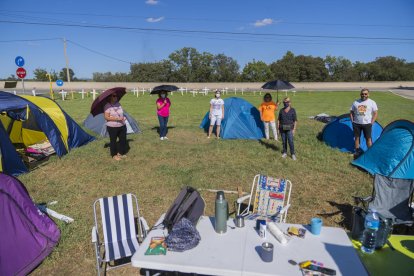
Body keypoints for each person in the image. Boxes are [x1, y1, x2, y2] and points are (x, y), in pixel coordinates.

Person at [350, 88, 378, 156]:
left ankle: (370, 153)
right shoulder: (356, 102)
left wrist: (372, 122)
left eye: (365, 94)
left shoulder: (372, 102)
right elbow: (351, 112)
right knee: (357, 138)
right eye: (362, 94)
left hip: (367, 124)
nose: (364, 95)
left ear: (368, 94)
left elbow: (375, 113)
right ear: (360, 94)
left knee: (368, 138)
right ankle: (357, 152)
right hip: (357, 124)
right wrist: (352, 121)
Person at [104, 94, 127, 161]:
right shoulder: (107, 106)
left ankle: (120, 153)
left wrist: (123, 117)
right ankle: (114, 155)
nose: (116, 97)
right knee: (113, 141)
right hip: (112, 127)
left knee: (123, 140)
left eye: (116, 96)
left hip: (122, 125)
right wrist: (117, 119)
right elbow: (106, 117)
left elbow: (121, 113)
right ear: (110, 97)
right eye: (114, 96)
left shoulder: (119, 104)